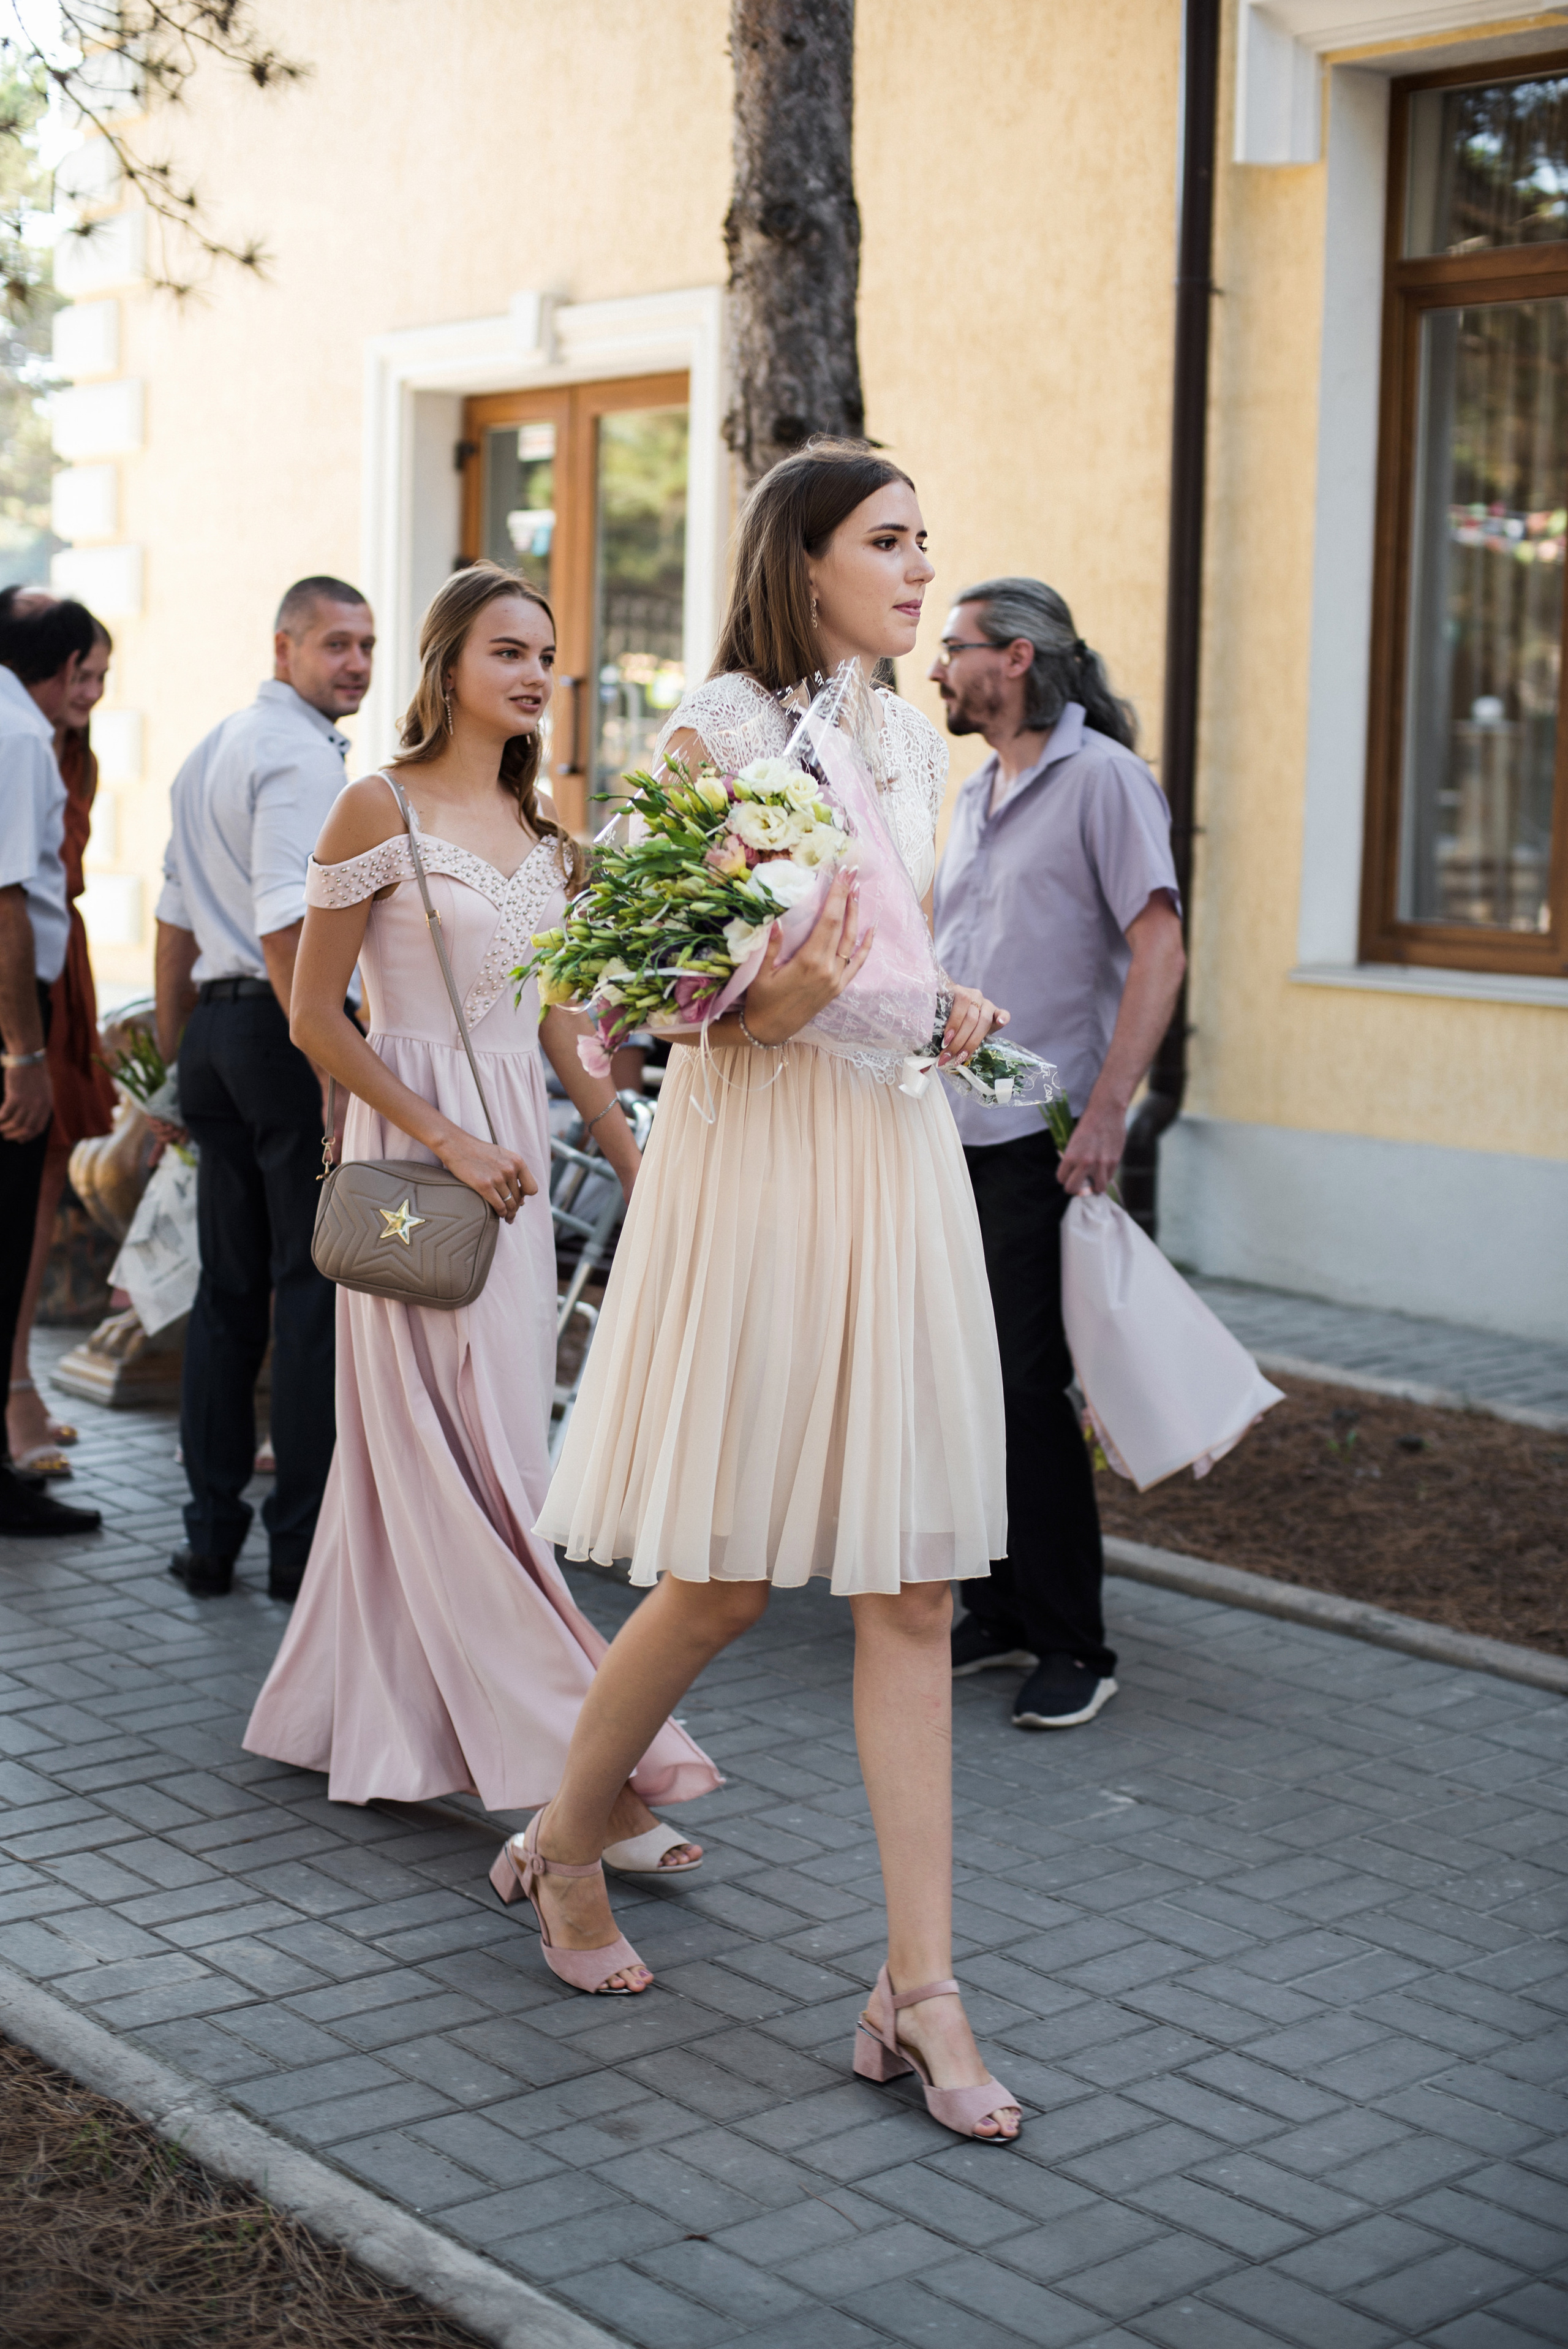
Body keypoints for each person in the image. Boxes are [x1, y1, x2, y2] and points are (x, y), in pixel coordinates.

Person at [522, 443, 1022, 2142]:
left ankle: (921, 1986)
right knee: (721, 1583)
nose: (919, 563)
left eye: (923, 535)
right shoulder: (717, 730)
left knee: (915, 1587)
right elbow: (653, 989)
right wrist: (776, 994)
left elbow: (886, 956)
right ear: (801, 560)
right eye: (889, 539)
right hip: (758, 1172)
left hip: (889, 1165)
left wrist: (942, 1000)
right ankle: (568, 1841)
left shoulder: (898, 738)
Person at [243, 562, 716, 1861]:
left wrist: (639, 1169)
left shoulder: (549, 838)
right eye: (506, 649)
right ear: (448, 662)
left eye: (546, 657)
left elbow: (570, 1039)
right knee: (451, 1474)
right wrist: (447, 1136)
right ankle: (587, 1787)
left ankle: (351, 1710)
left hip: (516, 1177)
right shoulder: (370, 809)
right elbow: (310, 1018)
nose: (531, 674)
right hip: (417, 1169)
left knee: (493, 1457)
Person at [930, 578, 1185, 1732]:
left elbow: (1159, 947)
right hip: (946, 1132)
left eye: (956, 647)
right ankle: (998, 1605)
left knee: (1029, 1388)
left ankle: (1077, 1642)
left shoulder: (1106, 782)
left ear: (1019, 658)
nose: (939, 666)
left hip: (1039, 1135)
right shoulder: (980, 791)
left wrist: (1109, 1110)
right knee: (966, 1382)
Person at [156, 577, 377, 1601]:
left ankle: (209, 1539)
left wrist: (177, 1057)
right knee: (309, 1291)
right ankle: (297, 1553)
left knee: (227, 1296)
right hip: (283, 1027)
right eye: (337, 644)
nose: (358, 665)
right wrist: (325, 1058)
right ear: (284, 645)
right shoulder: (292, 753)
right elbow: (289, 922)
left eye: (368, 645)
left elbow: (172, 915)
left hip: (215, 1029)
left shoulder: (213, 747)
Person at [0, 594, 103, 1536]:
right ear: (62, 665)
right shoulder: (19, 737)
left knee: (29, 1196)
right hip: (17, 1003)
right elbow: (8, 896)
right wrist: (23, 1050)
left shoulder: (58, 745)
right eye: (88, 671)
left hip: (45, 984)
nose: (94, 692)